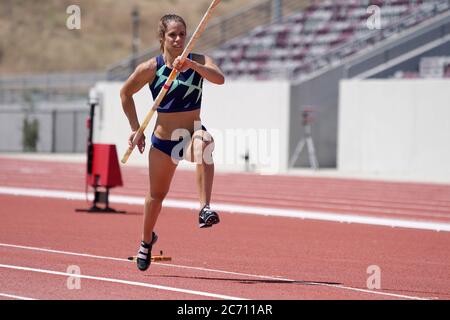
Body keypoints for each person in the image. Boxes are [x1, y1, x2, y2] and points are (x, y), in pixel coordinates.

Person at [120, 14, 225, 271]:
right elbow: (125, 93)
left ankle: (204, 209)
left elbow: (219, 78)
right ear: (162, 38)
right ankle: (146, 241)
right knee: (155, 197)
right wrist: (136, 128)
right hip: (163, 143)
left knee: (205, 144)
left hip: (189, 137)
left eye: (182, 34)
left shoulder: (198, 60)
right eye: (172, 35)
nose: (178, 39)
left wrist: (192, 65)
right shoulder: (151, 68)